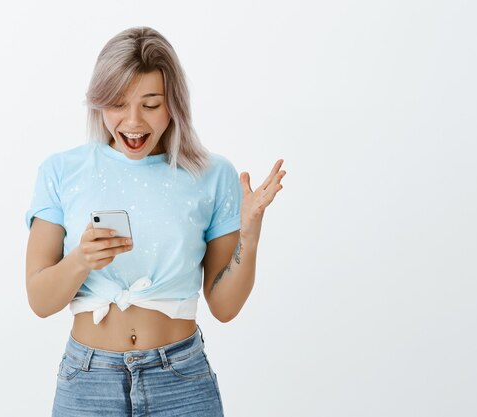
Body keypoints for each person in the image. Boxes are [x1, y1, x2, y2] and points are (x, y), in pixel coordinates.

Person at [25, 26, 286, 417]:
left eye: (150, 104)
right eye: (117, 103)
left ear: (174, 105)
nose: (132, 121)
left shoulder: (211, 175)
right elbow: (40, 301)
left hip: (180, 381)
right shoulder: (61, 171)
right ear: (99, 103)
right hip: (88, 382)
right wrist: (82, 259)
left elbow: (225, 306)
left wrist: (249, 230)